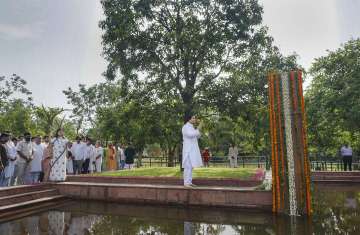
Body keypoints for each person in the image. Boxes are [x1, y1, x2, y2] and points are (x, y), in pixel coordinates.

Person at [182, 114, 203, 187]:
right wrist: (198, 128)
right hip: (188, 150)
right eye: (193, 118)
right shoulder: (185, 127)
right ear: (189, 119)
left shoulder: (192, 127)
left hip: (192, 150)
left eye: (194, 118)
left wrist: (199, 130)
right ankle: (186, 183)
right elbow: (190, 135)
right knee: (187, 167)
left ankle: (189, 182)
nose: (195, 119)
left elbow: (197, 136)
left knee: (191, 167)